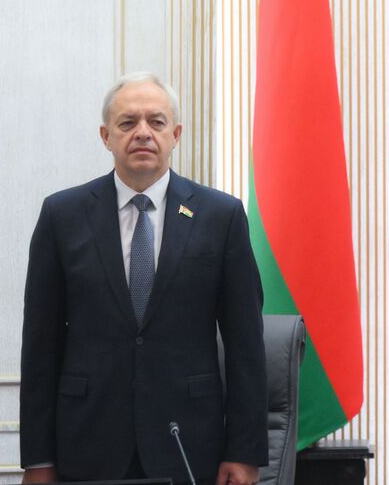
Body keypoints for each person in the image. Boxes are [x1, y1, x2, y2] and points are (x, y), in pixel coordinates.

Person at [20, 73, 267, 485]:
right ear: (106, 135)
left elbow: (245, 344)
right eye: (127, 122)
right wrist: (38, 458)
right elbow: (40, 346)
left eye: (156, 122)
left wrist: (244, 453)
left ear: (176, 133)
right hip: (87, 443)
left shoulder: (220, 217)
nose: (142, 133)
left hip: (188, 441)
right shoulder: (62, 215)